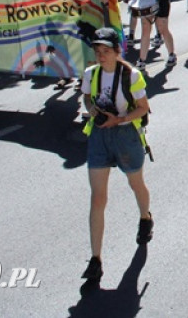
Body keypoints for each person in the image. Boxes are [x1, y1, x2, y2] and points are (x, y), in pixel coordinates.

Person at [80, 27, 153, 282]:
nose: (101, 56)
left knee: (136, 184)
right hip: (99, 137)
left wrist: (119, 119)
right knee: (97, 198)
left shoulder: (131, 76)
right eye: (98, 51)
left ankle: (145, 217)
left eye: (106, 51)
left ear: (117, 51)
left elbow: (144, 109)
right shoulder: (91, 74)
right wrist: (93, 112)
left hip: (125, 136)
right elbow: (87, 98)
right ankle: (95, 259)